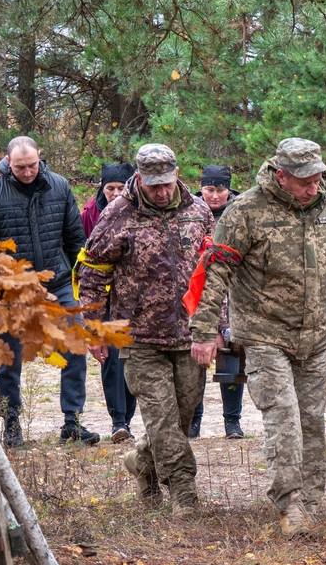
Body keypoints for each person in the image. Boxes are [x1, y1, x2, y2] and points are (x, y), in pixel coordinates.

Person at [189, 137, 326, 536]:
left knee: (312, 423)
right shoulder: (245, 211)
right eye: (304, 181)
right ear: (281, 176)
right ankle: (290, 503)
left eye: (317, 179)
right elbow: (215, 272)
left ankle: (310, 503)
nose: (313, 187)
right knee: (284, 420)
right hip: (265, 335)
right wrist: (204, 330)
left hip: (315, 338)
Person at [78, 144, 213, 517]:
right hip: (139, 338)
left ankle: (141, 461)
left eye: (167, 183)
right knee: (163, 420)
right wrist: (94, 328)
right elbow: (92, 272)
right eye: (154, 185)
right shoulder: (118, 214)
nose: (162, 192)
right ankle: (185, 494)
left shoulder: (198, 211)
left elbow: (214, 272)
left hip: (188, 334)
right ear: (139, 178)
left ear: (177, 174)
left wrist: (216, 325)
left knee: (181, 417)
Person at [0, 136, 94, 447]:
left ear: (40, 158)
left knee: (75, 348)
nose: (27, 172)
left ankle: (73, 421)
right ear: (8, 162)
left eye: (32, 165)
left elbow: (74, 238)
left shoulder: (60, 186)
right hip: (14, 290)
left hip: (59, 282)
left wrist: (79, 279)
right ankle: (12, 424)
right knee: (10, 358)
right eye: (20, 167)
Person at [79, 162, 138, 443]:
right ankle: (118, 420)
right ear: (102, 188)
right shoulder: (89, 214)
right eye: (109, 188)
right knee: (111, 359)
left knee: (131, 357)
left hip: (132, 297)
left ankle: (128, 417)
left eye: (120, 187)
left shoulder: (138, 210)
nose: (115, 193)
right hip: (102, 296)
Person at [189, 164, 245, 440]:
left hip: (234, 296)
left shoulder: (241, 211)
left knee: (231, 360)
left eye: (220, 190)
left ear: (228, 189)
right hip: (197, 294)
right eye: (209, 189)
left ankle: (232, 421)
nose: (214, 196)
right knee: (195, 362)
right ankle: (193, 420)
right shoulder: (190, 212)